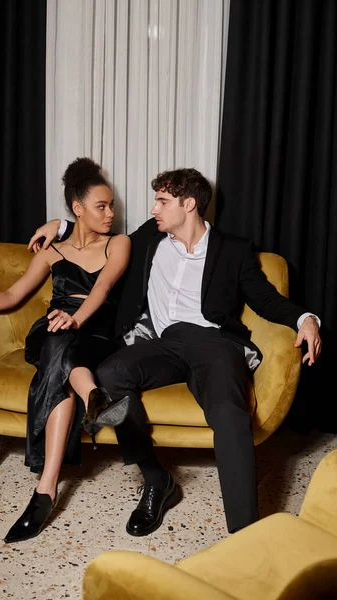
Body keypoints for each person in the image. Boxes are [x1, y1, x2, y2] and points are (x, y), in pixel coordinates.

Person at [28, 167, 322, 537]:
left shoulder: (233, 250)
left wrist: (304, 319)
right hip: (160, 343)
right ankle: (157, 480)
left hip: (213, 343)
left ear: (189, 204)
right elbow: (89, 231)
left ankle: (247, 537)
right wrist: (59, 226)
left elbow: (265, 300)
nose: (153, 209)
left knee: (230, 414)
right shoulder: (151, 238)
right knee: (109, 376)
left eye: (163, 201)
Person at [0, 157, 131, 543]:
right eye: (102, 206)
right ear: (78, 208)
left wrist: (77, 319)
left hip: (95, 331)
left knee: (61, 352)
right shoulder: (50, 253)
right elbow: (12, 295)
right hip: (53, 330)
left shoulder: (119, 244)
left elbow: (102, 290)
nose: (111, 214)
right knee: (57, 338)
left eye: (111, 206)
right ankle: (91, 401)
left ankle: (46, 491)